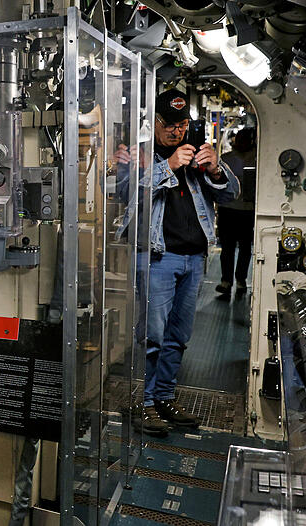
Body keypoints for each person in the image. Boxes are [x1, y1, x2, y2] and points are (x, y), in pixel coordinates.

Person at [114, 89, 240, 436]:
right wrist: (167, 166)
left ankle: (164, 397)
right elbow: (125, 193)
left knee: (177, 337)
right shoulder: (139, 155)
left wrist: (215, 168)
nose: (176, 131)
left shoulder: (196, 155)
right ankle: (142, 402)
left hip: (194, 260)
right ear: (155, 122)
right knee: (151, 336)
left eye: (182, 124)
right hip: (158, 258)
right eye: (169, 124)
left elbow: (232, 194)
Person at [215, 127, 257, 297]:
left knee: (245, 248)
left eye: (245, 139)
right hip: (228, 209)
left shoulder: (258, 158)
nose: (242, 142)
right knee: (227, 248)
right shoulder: (226, 159)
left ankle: (240, 280)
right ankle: (227, 281)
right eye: (240, 139)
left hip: (247, 210)